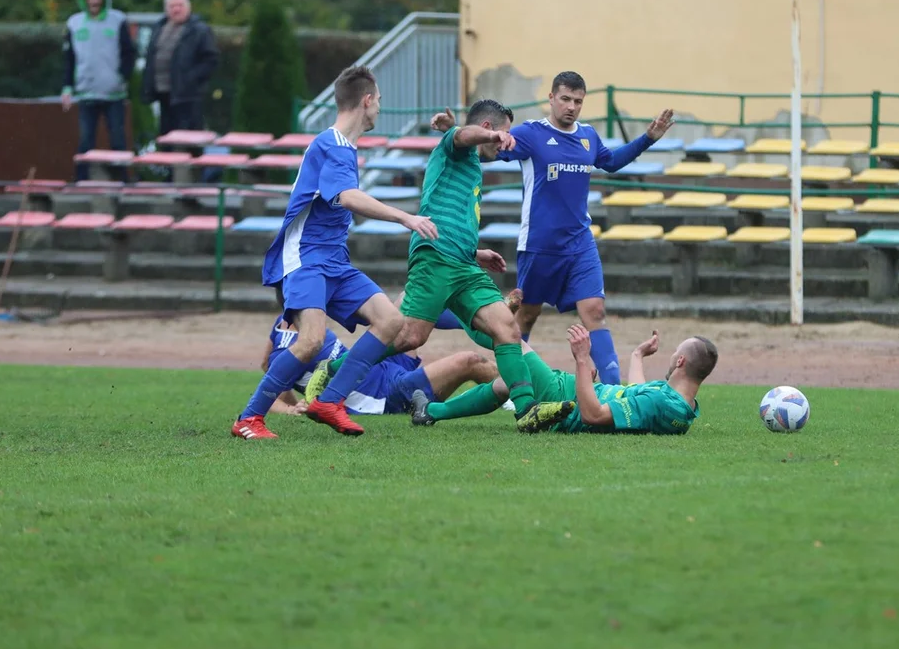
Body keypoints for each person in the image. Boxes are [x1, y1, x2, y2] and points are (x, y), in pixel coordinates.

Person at [306, 99, 576, 435]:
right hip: (435, 257)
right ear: (489, 130)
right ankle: (332, 370)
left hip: (463, 264)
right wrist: (478, 134)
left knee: (506, 327)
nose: (510, 140)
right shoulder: (455, 147)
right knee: (409, 337)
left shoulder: (470, 165)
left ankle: (527, 410)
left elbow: (452, 214)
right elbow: (462, 135)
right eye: (505, 132)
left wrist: (476, 253)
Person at [231, 65, 438, 441]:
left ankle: (330, 400)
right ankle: (249, 418)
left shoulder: (340, 146)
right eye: (379, 102)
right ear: (368, 100)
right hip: (308, 260)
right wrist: (405, 217)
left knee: (390, 322)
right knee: (310, 342)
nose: (379, 109)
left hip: (334, 262)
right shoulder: (334, 145)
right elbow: (347, 197)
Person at [435, 71, 676, 386]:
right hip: (539, 245)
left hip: (579, 244)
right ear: (551, 98)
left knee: (595, 311)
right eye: (565, 99)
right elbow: (487, 152)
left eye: (578, 101)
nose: (571, 106)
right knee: (525, 317)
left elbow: (612, 161)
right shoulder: (531, 134)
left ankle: (614, 389)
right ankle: (512, 384)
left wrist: (648, 138)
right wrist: (454, 133)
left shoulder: (588, 136)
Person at [410, 325, 717, 436]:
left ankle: (454, 308)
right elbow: (636, 394)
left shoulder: (662, 402)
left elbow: (592, 414)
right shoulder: (682, 408)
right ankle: (430, 413)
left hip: (560, 399)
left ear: (680, 361)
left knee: (505, 335)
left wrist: (582, 359)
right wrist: (637, 355)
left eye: (675, 352)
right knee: (508, 382)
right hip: (571, 390)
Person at [249, 315, 503, 433]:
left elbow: (264, 364)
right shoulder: (293, 349)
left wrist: (295, 401)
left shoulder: (282, 323)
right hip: (385, 394)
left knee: (411, 309)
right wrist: (291, 408)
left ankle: (479, 316)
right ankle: (518, 395)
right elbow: (270, 380)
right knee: (470, 361)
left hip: (382, 367)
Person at [62, 0, 136, 182]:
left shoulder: (117, 20)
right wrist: (67, 87)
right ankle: (82, 180)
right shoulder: (74, 23)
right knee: (86, 140)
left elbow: (129, 52)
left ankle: (122, 180)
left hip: (114, 91)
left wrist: (123, 77)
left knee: (118, 140)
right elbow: (69, 58)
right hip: (86, 90)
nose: (94, 1)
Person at [140, 0, 219, 135]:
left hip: (188, 96)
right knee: (166, 137)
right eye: (172, 6)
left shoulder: (199, 30)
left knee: (190, 138)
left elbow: (210, 60)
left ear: (188, 6)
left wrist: (191, 78)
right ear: (166, 9)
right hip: (163, 93)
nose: (176, 9)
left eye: (180, 5)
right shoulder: (159, 28)